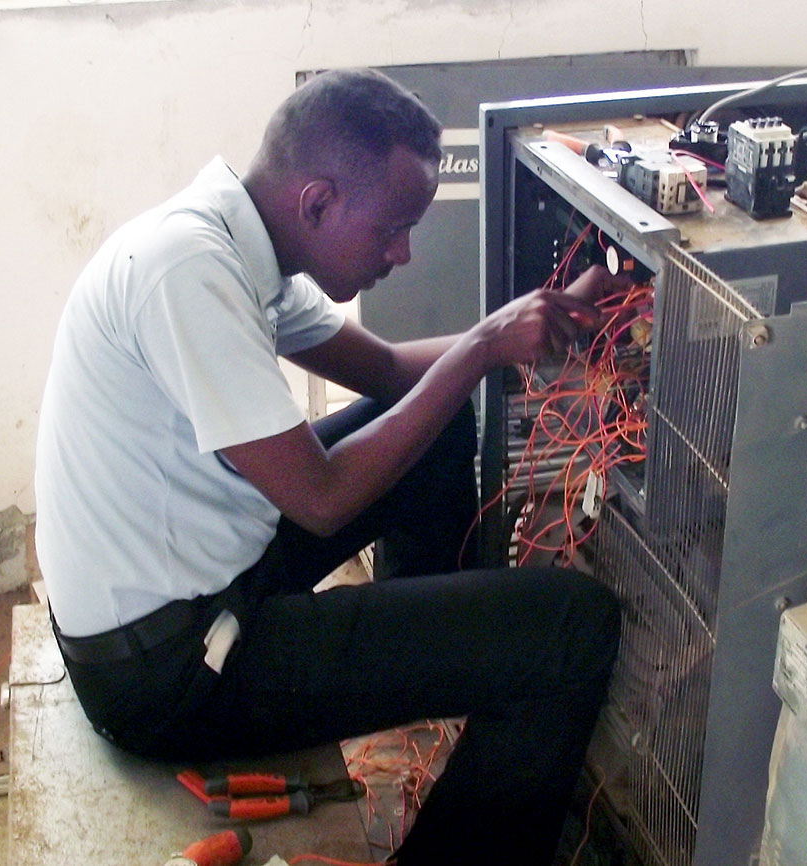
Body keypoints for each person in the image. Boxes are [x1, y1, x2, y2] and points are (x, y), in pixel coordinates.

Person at [33, 68, 626, 865]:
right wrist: (484, 347)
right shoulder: (188, 271)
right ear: (317, 202)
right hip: (167, 673)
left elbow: (386, 370)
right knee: (572, 629)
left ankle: (430, 681)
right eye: (392, 228)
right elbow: (322, 500)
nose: (403, 253)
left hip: (198, 588)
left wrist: (532, 325)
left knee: (435, 427)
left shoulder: (236, 242)